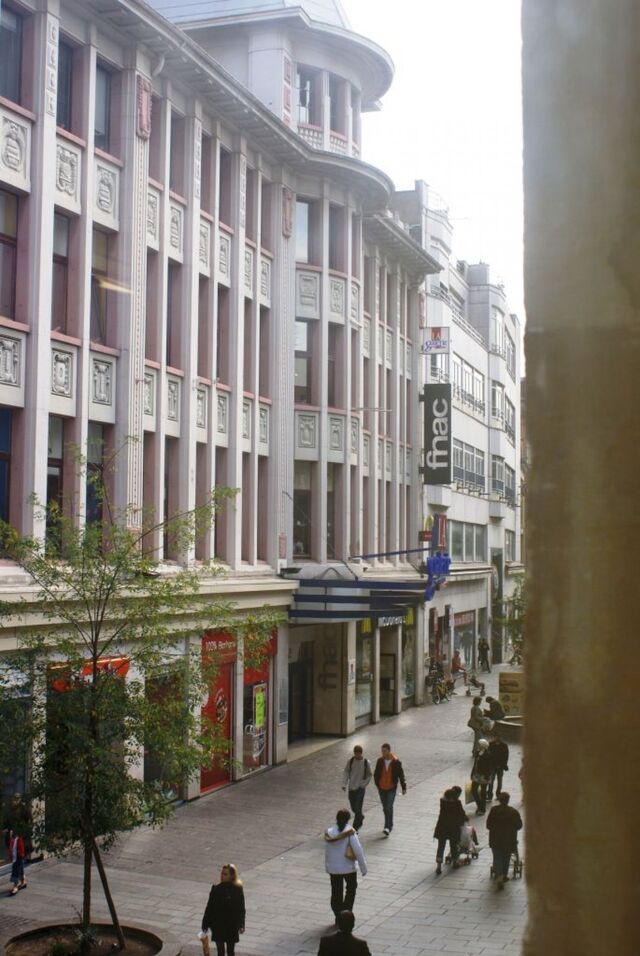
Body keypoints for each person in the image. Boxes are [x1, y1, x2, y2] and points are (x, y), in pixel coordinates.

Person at [324, 809, 367, 921]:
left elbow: (328, 852)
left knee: (336, 892)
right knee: (351, 889)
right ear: (348, 819)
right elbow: (358, 850)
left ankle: (338, 915)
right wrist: (363, 868)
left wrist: (328, 866)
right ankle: (347, 913)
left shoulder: (329, 832)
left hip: (334, 869)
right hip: (348, 867)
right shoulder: (350, 832)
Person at [201, 863, 246, 956]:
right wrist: (205, 924)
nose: (222, 876)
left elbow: (241, 908)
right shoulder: (216, 888)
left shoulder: (237, 889)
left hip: (231, 925)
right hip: (218, 925)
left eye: (225, 874)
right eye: (222, 873)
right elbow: (210, 907)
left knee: (230, 951)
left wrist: (241, 924)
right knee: (220, 952)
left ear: (232, 876)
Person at [486, 792, 523, 889]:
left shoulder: (494, 810)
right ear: (508, 800)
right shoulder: (513, 812)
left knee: (497, 857)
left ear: (499, 800)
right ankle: (504, 875)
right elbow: (519, 826)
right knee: (506, 857)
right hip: (509, 839)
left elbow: (488, 825)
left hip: (495, 838)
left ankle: (499, 876)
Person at [373, 743, 407, 836]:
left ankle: (387, 827)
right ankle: (389, 824)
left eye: (384, 751)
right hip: (382, 788)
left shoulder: (396, 761)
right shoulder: (380, 761)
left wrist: (404, 787)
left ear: (389, 751)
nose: (383, 753)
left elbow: (401, 775)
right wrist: (377, 784)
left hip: (391, 788)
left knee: (388, 806)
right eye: (382, 751)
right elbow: (376, 773)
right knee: (385, 808)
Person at [433, 788, 466, 874]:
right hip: (453, 828)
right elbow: (461, 813)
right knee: (453, 846)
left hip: (442, 827)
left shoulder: (443, 802)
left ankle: (439, 866)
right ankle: (455, 862)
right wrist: (465, 819)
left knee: (441, 847)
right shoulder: (457, 803)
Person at [342, 745, 372, 832]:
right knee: (353, 808)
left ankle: (355, 828)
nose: (357, 755)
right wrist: (344, 784)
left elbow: (369, 775)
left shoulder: (366, 762)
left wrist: (363, 784)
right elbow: (346, 772)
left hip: (360, 789)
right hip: (351, 788)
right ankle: (360, 816)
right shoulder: (351, 761)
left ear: (361, 753)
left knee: (358, 808)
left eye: (358, 754)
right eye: (355, 753)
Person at [471, 739, 493, 815]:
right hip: (476, 775)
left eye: (479, 744)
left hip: (484, 775)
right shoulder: (478, 753)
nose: (478, 746)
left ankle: (482, 809)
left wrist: (487, 777)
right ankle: (480, 806)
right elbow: (475, 764)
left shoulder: (488, 754)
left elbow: (489, 767)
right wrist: (472, 774)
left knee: (483, 793)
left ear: (483, 746)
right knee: (473, 791)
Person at [487, 734, 510, 800]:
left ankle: (498, 794)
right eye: (496, 736)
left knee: (499, 781)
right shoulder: (490, 744)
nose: (497, 738)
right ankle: (490, 794)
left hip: (500, 766)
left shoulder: (504, 745)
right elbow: (488, 755)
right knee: (491, 781)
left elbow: (506, 756)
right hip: (492, 766)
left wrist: (504, 764)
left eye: (498, 737)